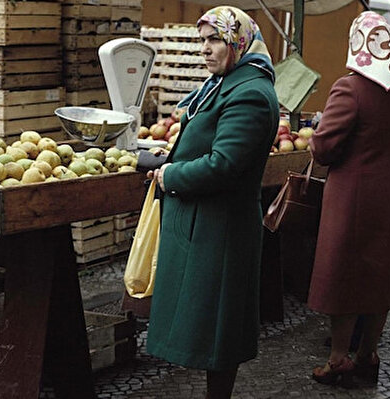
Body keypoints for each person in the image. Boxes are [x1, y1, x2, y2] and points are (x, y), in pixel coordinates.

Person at [145, 6, 279, 398]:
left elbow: (225, 165)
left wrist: (172, 175)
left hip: (221, 230)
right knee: (207, 326)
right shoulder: (226, 82)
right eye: (201, 40)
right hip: (205, 225)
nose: (205, 49)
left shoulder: (251, 93)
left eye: (215, 39)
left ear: (238, 41)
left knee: (219, 332)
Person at [306, 11, 390, 387]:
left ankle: (338, 358)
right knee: (381, 276)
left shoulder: (349, 88)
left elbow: (324, 149)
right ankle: (368, 354)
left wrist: (314, 135)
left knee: (346, 276)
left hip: (354, 197)